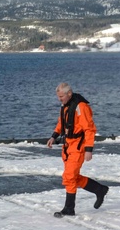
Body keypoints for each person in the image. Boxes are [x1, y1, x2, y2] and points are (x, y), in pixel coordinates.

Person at [46, 82, 108, 217]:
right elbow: (60, 123)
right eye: (58, 96)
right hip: (67, 145)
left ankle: (69, 209)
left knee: (69, 177)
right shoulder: (65, 105)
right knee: (72, 177)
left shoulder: (81, 107)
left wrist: (89, 149)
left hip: (78, 146)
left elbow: (90, 129)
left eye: (61, 96)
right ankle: (99, 189)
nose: (59, 99)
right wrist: (53, 136)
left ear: (69, 94)